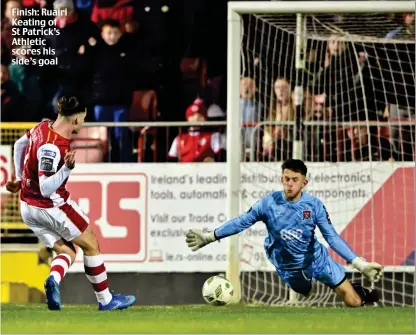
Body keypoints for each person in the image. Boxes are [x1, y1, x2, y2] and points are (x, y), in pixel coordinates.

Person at [185, 159, 383, 307]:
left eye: (294, 180)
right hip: (287, 265)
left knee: (354, 302)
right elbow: (241, 222)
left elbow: (331, 237)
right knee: (306, 290)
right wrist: (210, 236)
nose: (289, 184)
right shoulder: (268, 204)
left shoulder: (314, 206)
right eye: (286, 179)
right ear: (281, 178)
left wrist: (360, 263)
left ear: (304, 183)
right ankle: (335, 284)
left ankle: (357, 290)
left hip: (316, 257)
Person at [5, 96, 136, 311]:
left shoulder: (42, 126)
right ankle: (106, 301)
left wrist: (20, 178)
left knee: (68, 251)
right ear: (75, 119)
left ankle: (53, 280)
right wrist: (67, 168)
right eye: (83, 119)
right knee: (91, 243)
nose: (82, 123)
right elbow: (47, 188)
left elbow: (20, 144)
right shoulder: (54, 146)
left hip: (27, 207)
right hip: (50, 207)